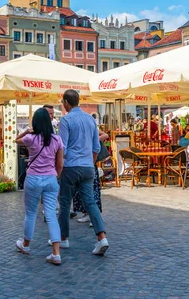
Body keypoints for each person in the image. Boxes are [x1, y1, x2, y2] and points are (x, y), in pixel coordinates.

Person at [57, 89, 109, 256]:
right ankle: (102, 238)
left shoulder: (65, 120)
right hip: (88, 166)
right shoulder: (90, 119)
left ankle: (63, 238)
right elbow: (96, 146)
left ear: (65, 102)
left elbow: (62, 148)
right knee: (90, 202)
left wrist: (58, 168)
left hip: (71, 167)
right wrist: (91, 164)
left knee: (65, 203)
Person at [14, 108, 64, 265]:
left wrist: (28, 130)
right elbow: (60, 164)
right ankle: (56, 253)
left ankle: (26, 245)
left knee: (30, 213)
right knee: (51, 215)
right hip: (50, 179)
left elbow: (16, 140)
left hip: (34, 179)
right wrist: (55, 176)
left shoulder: (31, 138)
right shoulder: (57, 140)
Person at [73, 129, 108, 226]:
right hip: (80, 162)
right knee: (81, 190)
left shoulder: (91, 126)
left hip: (90, 162)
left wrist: (94, 140)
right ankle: (87, 214)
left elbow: (105, 135)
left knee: (92, 190)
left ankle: (94, 216)